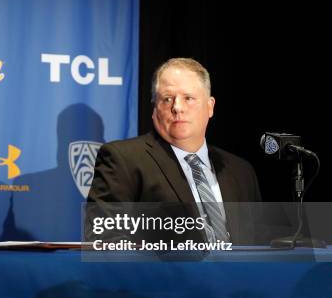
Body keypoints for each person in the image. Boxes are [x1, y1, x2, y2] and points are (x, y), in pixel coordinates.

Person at [87, 58, 261, 243]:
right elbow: (105, 239)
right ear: (155, 110)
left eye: (188, 98)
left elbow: (260, 241)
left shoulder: (241, 171)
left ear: (210, 107)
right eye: (167, 99)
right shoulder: (123, 160)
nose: (177, 107)